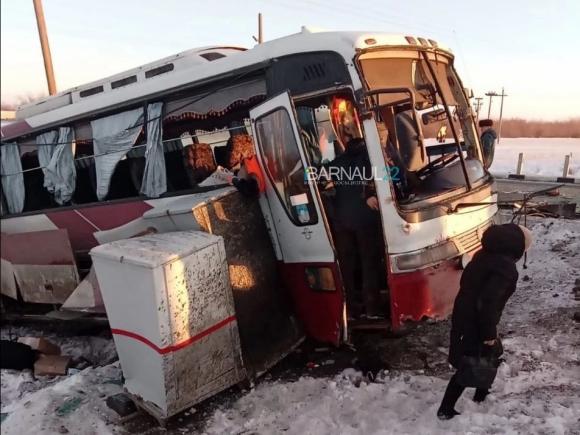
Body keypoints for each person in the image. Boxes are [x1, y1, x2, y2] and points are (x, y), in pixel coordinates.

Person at [437, 223, 533, 420]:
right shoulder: (505, 269)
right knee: (471, 361)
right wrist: (489, 333)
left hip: (465, 314)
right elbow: (488, 302)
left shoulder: (482, 257)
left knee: (491, 353)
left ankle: (481, 393)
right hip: (476, 320)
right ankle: (445, 410)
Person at [330, 137, 383, 319]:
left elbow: (319, 181)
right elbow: (379, 181)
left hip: (342, 223)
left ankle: (351, 311)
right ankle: (372, 310)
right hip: (365, 222)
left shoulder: (336, 163)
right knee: (369, 265)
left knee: (347, 267)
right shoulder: (369, 161)